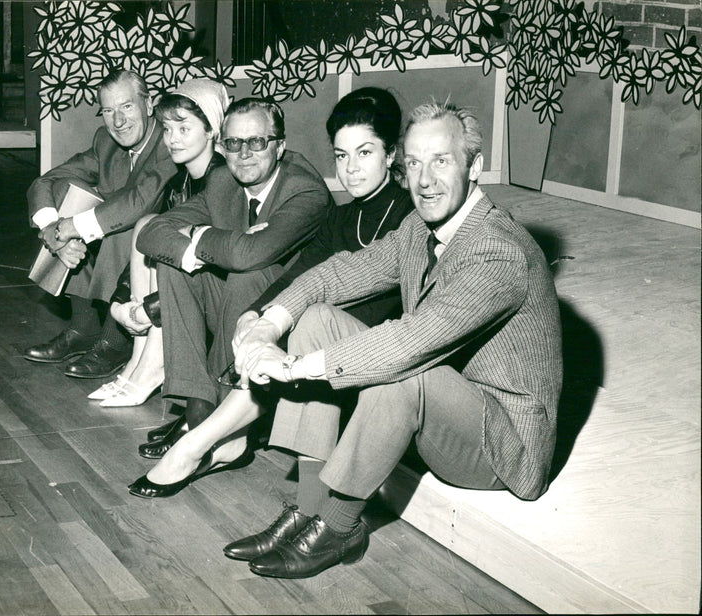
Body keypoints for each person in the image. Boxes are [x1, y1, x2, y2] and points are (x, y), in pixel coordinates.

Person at [224, 100, 562, 579]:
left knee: (400, 372)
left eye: (441, 161)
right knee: (317, 317)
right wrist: (267, 323)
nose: (424, 181)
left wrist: (295, 368)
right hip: (446, 401)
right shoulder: (418, 226)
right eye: (415, 164)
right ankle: (307, 506)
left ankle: (340, 528)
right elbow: (340, 274)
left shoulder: (498, 251)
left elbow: (410, 343)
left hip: (499, 443)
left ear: (475, 167)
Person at [127, 87, 414, 496]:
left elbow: (374, 302)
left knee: (306, 326)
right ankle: (309, 510)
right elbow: (303, 274)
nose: (351, 169)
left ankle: (196, 445)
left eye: (365, 153)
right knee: (298, 327)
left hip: (367, 353)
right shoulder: (345, 216)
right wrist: (258, 314)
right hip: (317, 345)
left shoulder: (407, 216)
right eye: (341, 155)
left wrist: (280, 322)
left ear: (391, 155)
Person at [131, 97, 333, 455]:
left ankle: (228, 418)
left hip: (287, 321)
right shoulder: (224, 180)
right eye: (233, 144)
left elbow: (249, 255)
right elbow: (151, 234)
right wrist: (194, 242)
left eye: (257, 142)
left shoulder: (305, 190)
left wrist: (197, 234)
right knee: (174, 264)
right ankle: (198, 407)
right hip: (234, 309)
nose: (244, 154)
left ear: (280, 146)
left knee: (246, 272)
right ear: (222, 147)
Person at [85, 78, 229, 407]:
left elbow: (214, 269)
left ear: (211, 130)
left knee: (159, 229)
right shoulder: (180, 181)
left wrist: (147, 311)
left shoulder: (222, 179)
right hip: (171, 304)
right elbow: (146, 251)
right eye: (167, 129)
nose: (172, 140)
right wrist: (125, 303)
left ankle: (153, 366)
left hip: (214, 306)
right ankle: (138, 363)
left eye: (183, 129)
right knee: (148, 224)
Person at [24, 70, 174, 377]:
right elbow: (47, 181)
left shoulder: (169, 141)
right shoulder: (106, 140)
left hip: (170, 241)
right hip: (127, 231)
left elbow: (139, 201)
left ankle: (115, 341)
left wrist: (70, 227)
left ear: (149, 105)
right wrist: (53, 231)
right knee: (70, 191)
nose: (118, 121)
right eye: (108, 111)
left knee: (125, 223)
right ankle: (84, 329)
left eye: (127, 107)